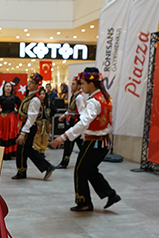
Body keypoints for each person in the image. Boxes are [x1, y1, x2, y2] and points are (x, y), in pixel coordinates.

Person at [51, 67, 120, 211]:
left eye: (82, 83)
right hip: (103, 141)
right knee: (91, 170)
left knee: (81, 170)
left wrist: (63, 137)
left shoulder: (94, 102)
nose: (81, 86)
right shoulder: (104, 97)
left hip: (93, 142)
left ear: (91, 84)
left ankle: (84, 202)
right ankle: (110, 194)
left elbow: (83, 123)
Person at [12, 73, 55, 180]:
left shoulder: (35, 99)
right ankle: (46, 166)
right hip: (25, 125)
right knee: (27, 150)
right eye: (29, 81)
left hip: (28, 126)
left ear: (37, 85)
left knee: (22, 150)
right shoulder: (29, 96)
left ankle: (22, 171)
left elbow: (31, 118)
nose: (29, 84)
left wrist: (23, 133)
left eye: (31, 82)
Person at [56, 77, 85, 169]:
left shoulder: (79, 97)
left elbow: (81, 112)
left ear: (79, 86)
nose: (71, 86)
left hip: (76, 122)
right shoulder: (74, 96)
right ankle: (65, 162)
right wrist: (64, 115)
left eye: (73, 84)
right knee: (71, 142)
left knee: (73, 142)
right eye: (71, 84)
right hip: (71, 121)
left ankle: (65, 162)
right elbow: (70, 109)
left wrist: (80, 127)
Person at [0, 81, 20, 160]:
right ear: (3, 88)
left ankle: (11, 153)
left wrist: (17, 110)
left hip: (11, 119)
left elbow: (21, 106)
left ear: (11, 88)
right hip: (2, 119)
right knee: (3, 134)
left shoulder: (15, 98)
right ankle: (2, 153)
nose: (8, 88)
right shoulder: (0, 98)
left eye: (9, 87)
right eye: (6, 86)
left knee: (11, 134)